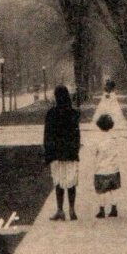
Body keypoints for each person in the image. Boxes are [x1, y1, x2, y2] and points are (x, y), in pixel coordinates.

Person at [43, 84, 81, 221]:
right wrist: (76, 151)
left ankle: (60, 210)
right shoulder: (74, 113)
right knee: (71, 182)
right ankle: (72, 209)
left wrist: (47, 154)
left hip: (56, 153)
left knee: (58, 181)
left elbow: (47, 136)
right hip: (70, 153)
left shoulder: (51, 114)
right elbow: (77, 135)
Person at [94, 113, 121, 218]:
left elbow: (95, 152)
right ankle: (114, 209)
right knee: (113, 190)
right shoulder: (113, 139)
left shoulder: (98, 139)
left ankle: (102, 210)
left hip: (101, 169)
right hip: (113, 168)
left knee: (101, 191)